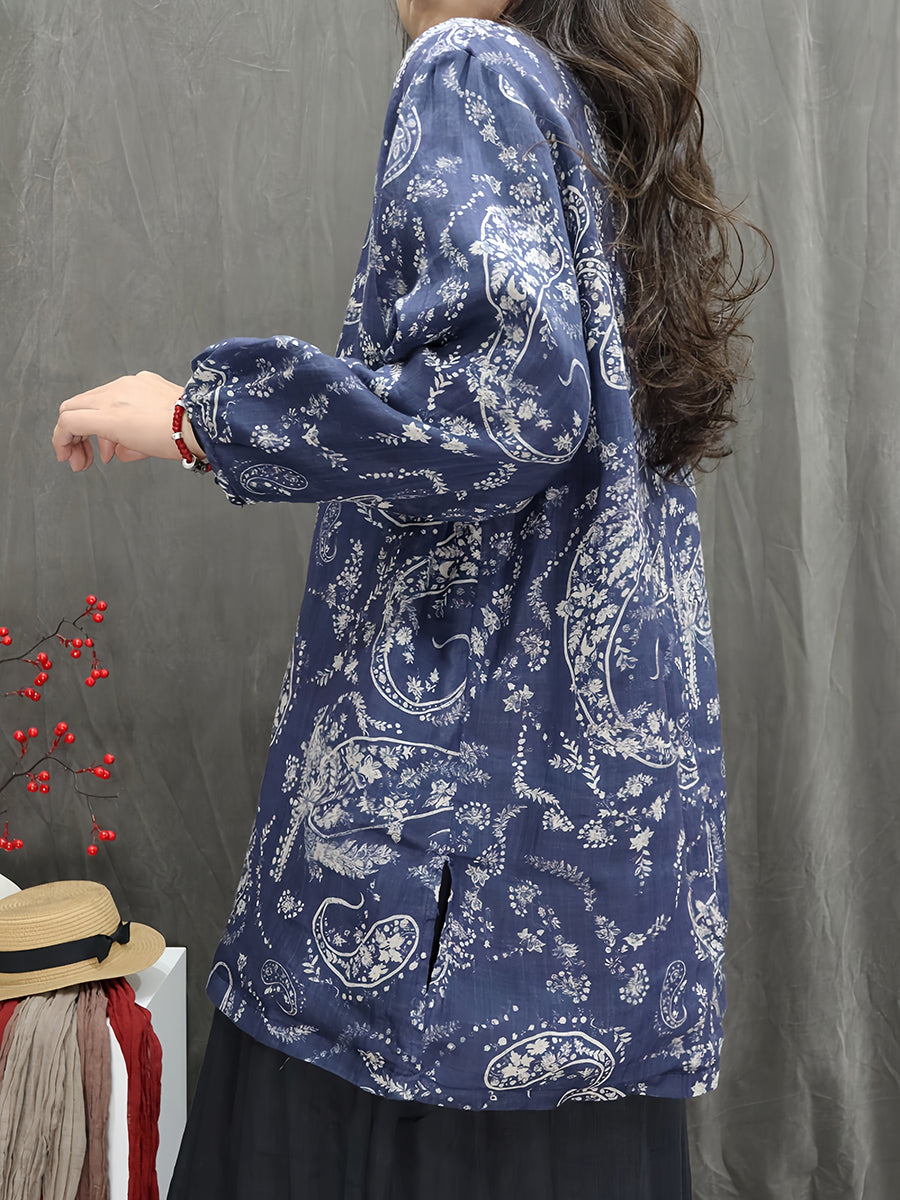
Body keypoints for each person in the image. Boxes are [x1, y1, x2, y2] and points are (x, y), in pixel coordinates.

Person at [52, 1, 765, 1196]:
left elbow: (503, 412)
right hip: (584, 866)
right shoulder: (582, 99)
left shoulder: (469, 62)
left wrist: (197, 419)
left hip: (442, 875)